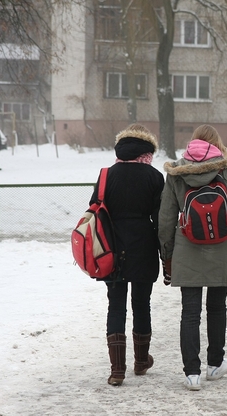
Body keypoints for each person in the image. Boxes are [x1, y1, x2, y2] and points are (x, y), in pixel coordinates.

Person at [158, 124, 227, 391]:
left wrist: (167, 257)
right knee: (217, 307)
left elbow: (166, 219)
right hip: (222, 249)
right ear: (216, 144)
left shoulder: (176, 173)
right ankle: (215, 364)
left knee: (190, 312)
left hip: (186, 250)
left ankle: (192, 373)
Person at [88, 124, 165, 386]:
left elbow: (94, 209)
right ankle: (141, 361)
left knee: (116, 304)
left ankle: (117, 370)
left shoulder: (107, 175)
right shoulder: (154, 177)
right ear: (147, 150)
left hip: (112, 249)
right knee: (142, 304)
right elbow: (161, 219)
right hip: (144, 246)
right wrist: (167, 255)